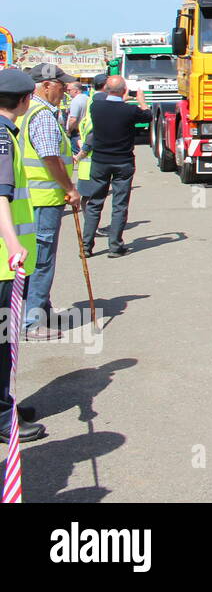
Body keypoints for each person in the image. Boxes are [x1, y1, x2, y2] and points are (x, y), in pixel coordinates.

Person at [17, 63, 80, 339]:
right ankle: (33, 321)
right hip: (42, 198)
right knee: (42, 260)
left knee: (31, 259)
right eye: (60, 84)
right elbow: (49, 157)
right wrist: (70, 187)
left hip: (27, 198)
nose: (65, 89)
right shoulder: (41, 115)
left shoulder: (23, 112)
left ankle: (39, 309)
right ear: (45, 86)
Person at [0, 69, 46, 441]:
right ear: (25, 100)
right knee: (2, 343)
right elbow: (0, 195)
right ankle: (2, 418)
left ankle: (6, 403)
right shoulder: (3, 136)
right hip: (3, 262)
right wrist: (14, 244)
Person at [75, 75, 146, 258]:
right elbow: (148, 115)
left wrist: (120, 97)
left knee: (94, 203)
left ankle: (86, 246)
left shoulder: (96, 107)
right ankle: (115, 246)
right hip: (123, 162)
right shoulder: (130, 111)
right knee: (119, 205)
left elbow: (110, 104)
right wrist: (141, 101)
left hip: (100, 161)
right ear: (124, 91)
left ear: (106, 89)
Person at [65, 80, 88, 155]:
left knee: (77, 155)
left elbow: (73, 119)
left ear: (76, 91)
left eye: (69, 90)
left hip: (76, 132)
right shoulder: (87, 98)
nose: (68, 92)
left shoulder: (76, 101)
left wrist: (69, 131)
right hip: (85, 131)